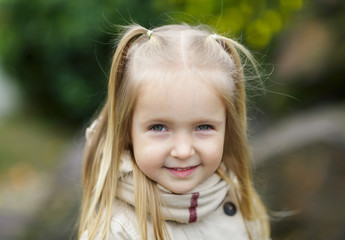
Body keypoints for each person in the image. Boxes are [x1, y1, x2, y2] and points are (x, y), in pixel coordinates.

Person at [78, 24, 270, 240]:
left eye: (203, 127)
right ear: (126, 131)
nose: (183, 151)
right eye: (159, 127)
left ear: (228, 128)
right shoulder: (117, 232)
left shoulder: (241, 203)